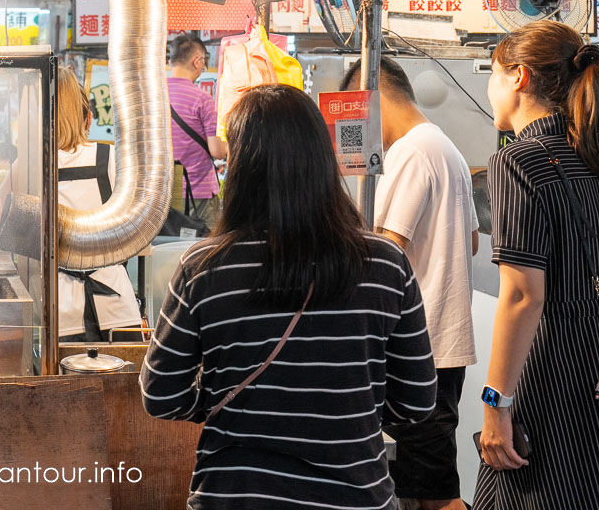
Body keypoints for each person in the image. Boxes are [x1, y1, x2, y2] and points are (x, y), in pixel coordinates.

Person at [141, 84, 437, 510]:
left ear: (241, 166)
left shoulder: (204, 267)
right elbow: (417, 401)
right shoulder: (385, 264)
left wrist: (226, 396)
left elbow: (161, 397)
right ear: (322, 157)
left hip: (237, 496)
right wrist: (348, 408)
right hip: (355, 497)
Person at [474, 21, 599, 509]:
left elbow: (524, 295)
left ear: (519, 77)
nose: (491, 85)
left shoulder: (519, 162)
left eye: (493, 72)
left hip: (553, 376)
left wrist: (496, 404)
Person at [341, 56, 478, 510]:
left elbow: (386, 251)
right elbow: (473, 242)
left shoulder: (410, 152)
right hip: (441, 345)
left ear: (372, 97)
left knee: (436, 497)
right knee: (421, 492)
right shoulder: (444, 146)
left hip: (420, 353)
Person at [53, 67, 143, 341]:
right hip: (117, 304)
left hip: (59, 309)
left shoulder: (30, 164)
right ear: (88, 118)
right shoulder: (111, 157)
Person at [168, 33, 226, 227]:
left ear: (171, 61)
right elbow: (217, 151)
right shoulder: (203, 100)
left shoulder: (153, 97)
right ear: (196, 61)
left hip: (164, 194)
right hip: (198, 193)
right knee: (203, 249)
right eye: (204, 61)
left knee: (165, 250)